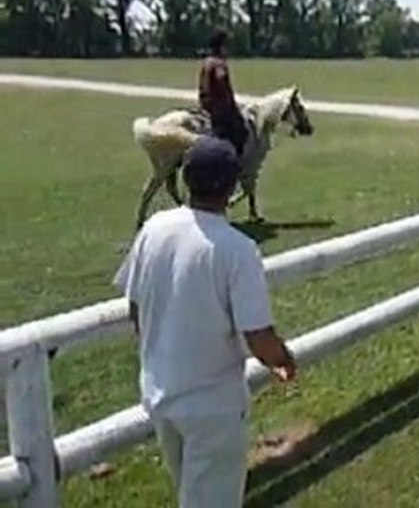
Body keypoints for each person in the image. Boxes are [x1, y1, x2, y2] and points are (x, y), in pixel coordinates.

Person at [113, 136, 297, 507]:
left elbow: (136, 309)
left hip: (160, 395)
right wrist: (283, 359)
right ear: (232, 187)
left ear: (186, 179)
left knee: (190, 493)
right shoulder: (238, 250)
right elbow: (258, 335)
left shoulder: (154, 229)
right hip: (212, 407)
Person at [199, 30, 249, 158]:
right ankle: (233, 161)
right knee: (241, 130)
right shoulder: (219, 64)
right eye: (226, 46)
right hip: (219, 109)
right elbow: (221, 81)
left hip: (205, 105)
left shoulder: (207, 62)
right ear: (220, 47)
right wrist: (232, 106)